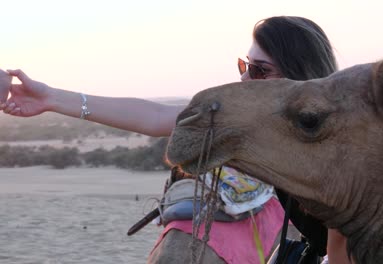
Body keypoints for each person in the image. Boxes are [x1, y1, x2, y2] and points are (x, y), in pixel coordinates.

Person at [1, 16, 351, 264]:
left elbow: (346, 242)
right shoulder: (253, 121)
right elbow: (154, 118)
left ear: (300, 75)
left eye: (260, 71)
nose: (245, 79)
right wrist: (49, 99)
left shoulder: (336, 145)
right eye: (244, 65)